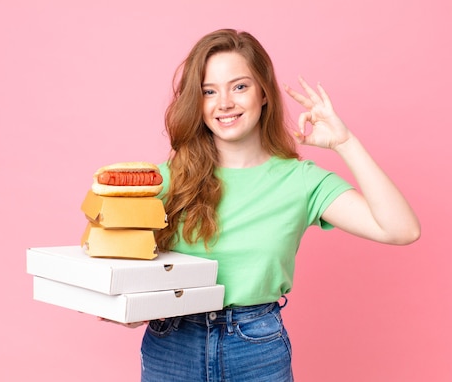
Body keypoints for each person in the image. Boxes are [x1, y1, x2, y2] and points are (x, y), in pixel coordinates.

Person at [102, 28, 421, 382]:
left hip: (255, 345)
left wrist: (345, 142)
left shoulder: (301, 181)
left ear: (264, 93)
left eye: (239, 86)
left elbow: (401, 229)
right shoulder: (165, 180)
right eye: (209, 91)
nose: (224, 103)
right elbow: (112, 252)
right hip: (172, 342)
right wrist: (123, 303)